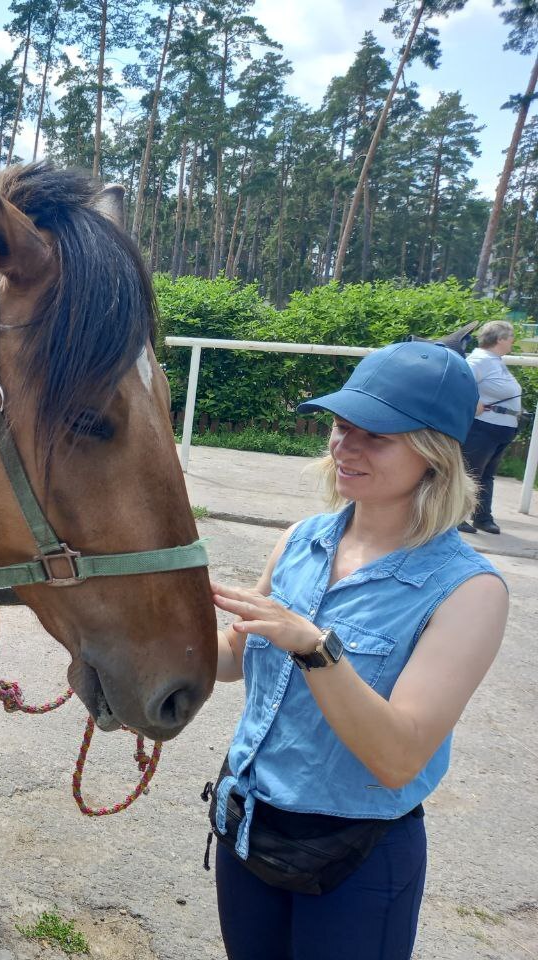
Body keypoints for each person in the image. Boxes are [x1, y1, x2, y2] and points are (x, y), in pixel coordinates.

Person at [207, 341, 508, 960]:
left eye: (376, 435)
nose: (345, 447)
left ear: (434, 452)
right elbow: (233, 657)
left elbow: (398, 756)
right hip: (248, 828)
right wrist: (129, 638)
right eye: (342, 427)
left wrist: (316, 650)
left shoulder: (468, 590)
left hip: (356, 862)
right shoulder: (300, 541)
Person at [459, 319, 523, 535]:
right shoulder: (479, 360)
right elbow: (460, 381)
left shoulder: (494, 360)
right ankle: (457, 517)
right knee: (471, 473)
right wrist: (473, 401)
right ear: (500, 339)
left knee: (486, 475)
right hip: (484, 426)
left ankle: (482, 517)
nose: (513, 340)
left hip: (501, 428)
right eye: (511, 336)